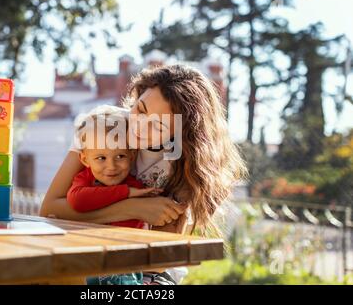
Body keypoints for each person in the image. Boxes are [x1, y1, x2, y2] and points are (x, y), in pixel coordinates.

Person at [41, 64, 247, 284]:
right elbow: (50, 208)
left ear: (180, 135)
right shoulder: (99, 126)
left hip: (150, 276)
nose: (139, 127)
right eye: (140, 109)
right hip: (90, 254)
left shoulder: (188, 165)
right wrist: (133, 208)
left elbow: (160, 261)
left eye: (157, 126)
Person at [67, 110, 161, 285]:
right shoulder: (86, 178)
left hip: (123, 268)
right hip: (87, 259)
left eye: (120, 156)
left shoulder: (138, 188)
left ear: (131, 156)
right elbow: (77, 200)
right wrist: (125, 193)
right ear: (85, 159)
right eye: (101, 158)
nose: (111, 166)